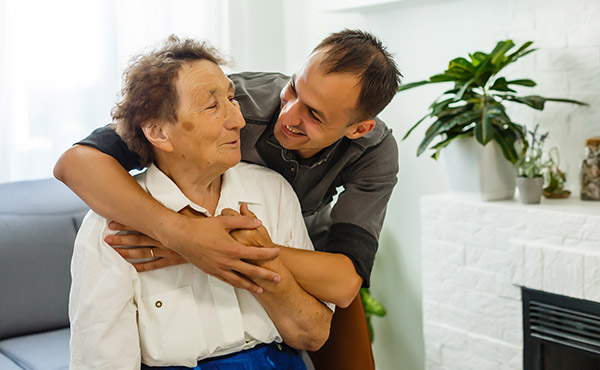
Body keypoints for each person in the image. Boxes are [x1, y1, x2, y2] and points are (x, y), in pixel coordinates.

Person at [55, 29, 401, 370]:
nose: (289, 114)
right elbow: (76, 162)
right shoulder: (236, 97)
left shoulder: (370, 155)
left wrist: (231, 249)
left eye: (314, 115)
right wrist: (183, 234)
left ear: (358, 129)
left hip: (314, 257)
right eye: (293, 89)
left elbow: (342, 285)